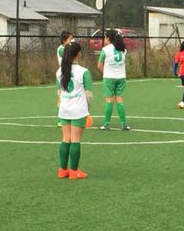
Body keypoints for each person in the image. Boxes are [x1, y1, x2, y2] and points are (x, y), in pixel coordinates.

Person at [56, 41, 92, 179]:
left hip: (64, 110)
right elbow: (89, 95)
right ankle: (74, 171)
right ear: (78, 54)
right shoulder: (84, 72)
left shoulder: (59, 71)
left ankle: (62, 170)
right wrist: (88, 110)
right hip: (78, 110)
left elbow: (59, 92)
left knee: (65, 139)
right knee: (75, 139)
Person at [97, 28, 131, 131]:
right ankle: (123, 124)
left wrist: (105, 72)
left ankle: (106, 124)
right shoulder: (123, 50)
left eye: (105, 37)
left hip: (109, 78)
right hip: (121, 77)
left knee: (109, 101)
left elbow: (99, 65)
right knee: (120, 101)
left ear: (108, 38)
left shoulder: (105, 49)